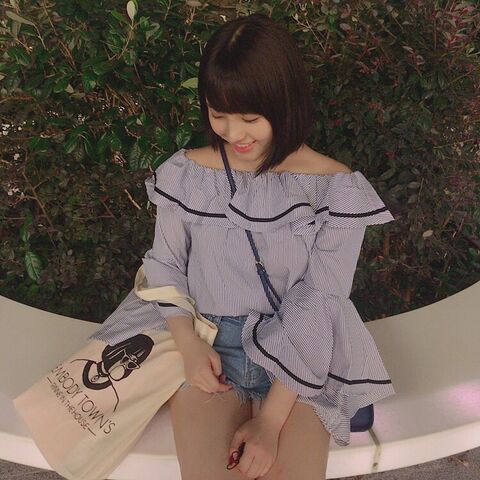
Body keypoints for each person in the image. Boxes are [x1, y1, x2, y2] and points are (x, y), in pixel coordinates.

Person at [90, 12, 396, 480]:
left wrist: (270, 422)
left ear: (284, 102)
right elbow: (165, 264)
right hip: (209, 345)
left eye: (250, 118)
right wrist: (189, 346)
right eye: (219, 115)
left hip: (298, 359)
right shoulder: (187, 173)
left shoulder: (336, 189)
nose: (234, 134)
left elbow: (321, 301)